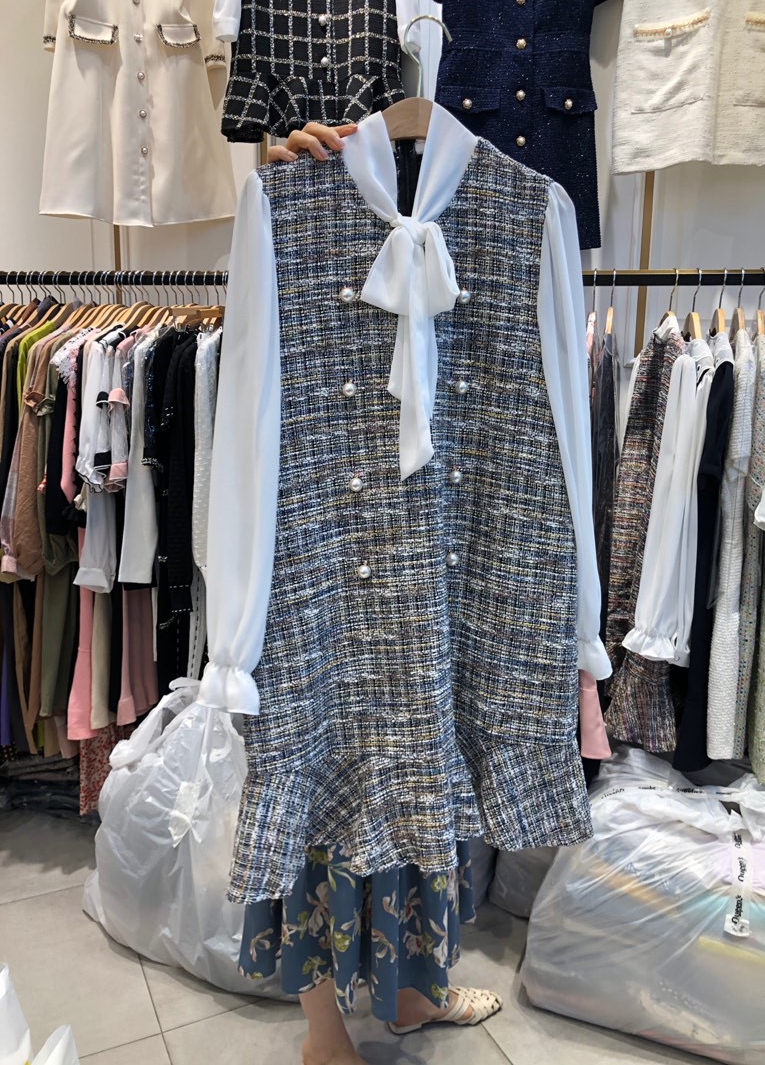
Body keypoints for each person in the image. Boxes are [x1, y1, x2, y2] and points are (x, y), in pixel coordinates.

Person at [238, 120, 503, 1065]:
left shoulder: (511, 206)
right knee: (313, 777)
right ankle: (323, 1034)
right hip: (318, 556)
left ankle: (411, 997)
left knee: (419, 777)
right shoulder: (285, 203)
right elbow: (244, 418)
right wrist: (236, 626)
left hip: (431, 561)